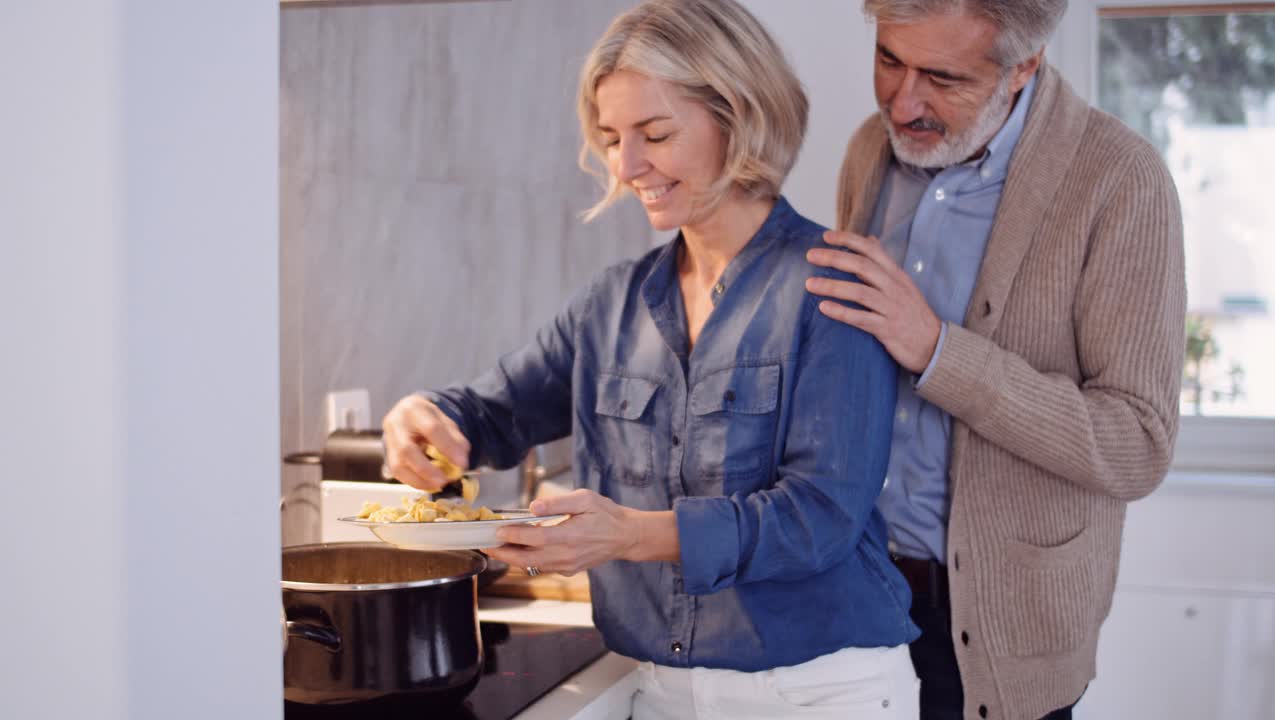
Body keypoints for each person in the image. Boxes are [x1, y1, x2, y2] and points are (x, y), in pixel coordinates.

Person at [381, 1, 922, 718]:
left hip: (821, 692)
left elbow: (817, 518)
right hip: (661, 692)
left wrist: (630, 535)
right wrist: (428, 419)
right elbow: (490, 413)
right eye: (610, 138)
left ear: (739, 115)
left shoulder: (835, 289)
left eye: (654, 134)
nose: (626, 165)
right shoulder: (613, 304)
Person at [805, 1, 1186, 719]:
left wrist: (940, 351)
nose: (903, 100)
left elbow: (1137, 443)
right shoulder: (871, 150)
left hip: (998, 626)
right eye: (889, 60)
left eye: (943, 78)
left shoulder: (1121, 181)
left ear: (1026, 66)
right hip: (855, 594)